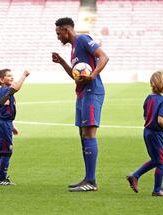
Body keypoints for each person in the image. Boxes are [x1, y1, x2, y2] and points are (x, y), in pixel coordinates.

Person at [52, 17, 109, 192]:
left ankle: (91, 182)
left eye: (58, 33)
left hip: (92, 92)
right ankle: (87, 178)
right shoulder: (74, 49)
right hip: (82, 93)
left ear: (66, 30)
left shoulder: (83, 39)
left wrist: (93, 74)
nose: (58, 37)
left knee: (89, 134)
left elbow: (104, 57)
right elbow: (77, 76)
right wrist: (62, 62)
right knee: (83, 136)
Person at [127, 71, 163, 196]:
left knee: (156, 160)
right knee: (161, 162)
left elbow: (146, 116)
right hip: (155, 134)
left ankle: (135, 176)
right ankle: (157, 190)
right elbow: (160, 119)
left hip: (147, 132)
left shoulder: (148, 98)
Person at [0, 69, 30, 185]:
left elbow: (5, 110)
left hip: (4, 123)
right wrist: (23, 75)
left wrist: (12, 125)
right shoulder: (5, 90)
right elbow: (16, 88)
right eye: (9, 76)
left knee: (0, 151)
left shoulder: (5, 91)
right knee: (6, 151)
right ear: (1, 80)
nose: (12, 78)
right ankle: (2, 178)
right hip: (3, 124)